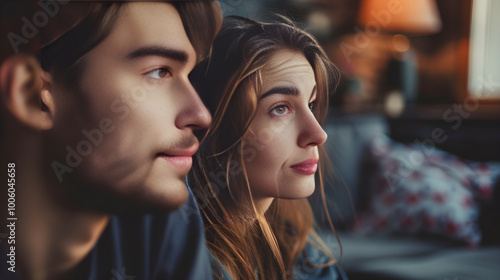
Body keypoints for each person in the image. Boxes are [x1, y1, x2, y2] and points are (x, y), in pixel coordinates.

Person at [0, 1, 221, 279]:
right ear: (32, 96)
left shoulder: (158, 209)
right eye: (158, 72)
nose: (201, 115)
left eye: (188, 76)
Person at [188, 16, 348, 280]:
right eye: (280, 109)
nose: (319, 135)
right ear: (212, 124)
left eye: (311, 104)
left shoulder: (299, 246)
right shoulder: (189, 262)